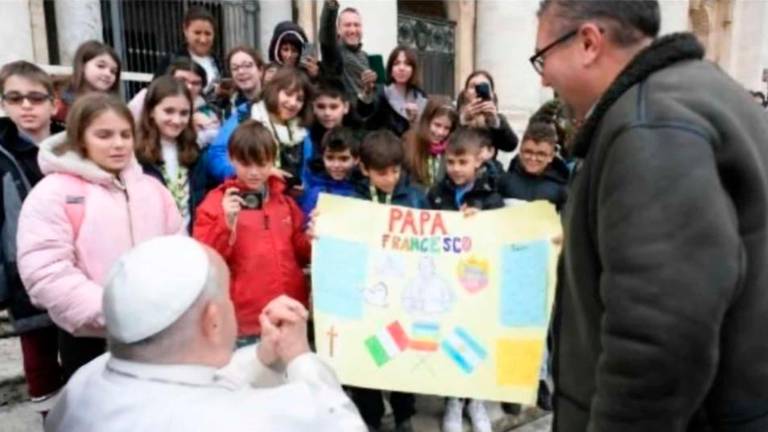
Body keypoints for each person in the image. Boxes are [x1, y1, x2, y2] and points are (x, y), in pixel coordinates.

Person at [534, 0, 768, 430]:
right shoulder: (700, 92)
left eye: (543, 57)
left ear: (588, 42)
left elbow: (662, 334)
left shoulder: (651, 122)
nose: (545, 76)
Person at [44, 235, 367, 431]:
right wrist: (300, 357)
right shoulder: (251, 421)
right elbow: (336, 420)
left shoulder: (83, 383)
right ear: (213, 321)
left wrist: (262, 357)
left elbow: (190, 383)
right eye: (226, 296)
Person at [16, 93, 183, 382]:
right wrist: (114, 312)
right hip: (90, 339)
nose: (118, 144)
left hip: (156, 331)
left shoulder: (153, 190)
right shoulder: (53, 193)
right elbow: (46, 272)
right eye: (104, 135)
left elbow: (179, 249)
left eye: (125, 134)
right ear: (81, 138)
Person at [193, 120, 310, 346]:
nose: (255, 172)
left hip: (289, 314)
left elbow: (301, 252)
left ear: (272, 160)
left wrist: (313, 238)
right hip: (245, 321)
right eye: (246, 164)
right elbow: (206, 262)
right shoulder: (215, 203)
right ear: (232, 159)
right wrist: (225, 224)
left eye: (262, 163)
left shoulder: (284, 202)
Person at [426, 128, 501, 432]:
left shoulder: (491, 197)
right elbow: (423, 232)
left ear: (477, 162)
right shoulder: (435, 194)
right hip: (445, 280)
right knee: (450, 341)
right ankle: (453, 402)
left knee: (476, 340)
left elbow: (500, 236)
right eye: (451, 162)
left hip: (478, 283)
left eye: (463, 162)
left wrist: (481, 222)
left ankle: (476, 400)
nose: (456, 169)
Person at [0, 61, 65, 411]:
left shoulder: (73, 144)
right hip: (24, 278)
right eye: (15, 98)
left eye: (35, 98)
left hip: (75, 271)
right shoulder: (2, 155)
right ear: (4, 104)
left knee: (80, 360)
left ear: (53, 103)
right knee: (40, 365)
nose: (26, 106)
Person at [349, 130, 423, 432]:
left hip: (403, 296)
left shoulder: (415, 198)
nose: (390, 178)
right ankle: (371, 415)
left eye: (396, 171)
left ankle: (404, 413)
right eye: (382, 172)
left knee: (401, 353)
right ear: (364, 168)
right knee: (368, 353)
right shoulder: (351, 201)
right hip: (366, 297)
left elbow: (437, 235)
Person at [206, 67, 313, 185]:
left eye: (299, 99)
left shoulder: (302, 129)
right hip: (248, 196)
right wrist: (261, 172)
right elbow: (216, 156)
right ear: (274, 90)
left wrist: (302, 189)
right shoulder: (246, 115)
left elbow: (307, 173)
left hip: (288, 200)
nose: (293, 103)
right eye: (288, 94)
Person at [135, 76, 212, 230]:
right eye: (169, 111)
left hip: (189, 242)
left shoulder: (194, 153)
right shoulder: (136, 155)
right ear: (151, 111)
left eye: (184, 113)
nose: (177, 120)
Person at [129, 58, 219, 147]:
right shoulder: (145, 97)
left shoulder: (207, 111)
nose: (189, 87)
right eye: (182, 80)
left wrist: (206, 127)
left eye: (195, 83)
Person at [357, 46, 427, 137]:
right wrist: (367, 90)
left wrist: (415, 120)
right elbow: (363, 113)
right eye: (396, 63)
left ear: (413, 69)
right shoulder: (380, 92)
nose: (401, 68)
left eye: (407, 64)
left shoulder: (421, 96)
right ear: (390, 69)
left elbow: (424, 131)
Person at [156, 6, 222, 96]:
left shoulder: (218, 62)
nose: (203, 39)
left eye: (208, 34)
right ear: (185, 31)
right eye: (197, 33)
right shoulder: (171, 61)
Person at [319, 0, 376, 101]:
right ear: (338, 30)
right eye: (347, 25)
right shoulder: (334, 52)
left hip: (365, 112)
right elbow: (327, 32)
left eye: (356, 25)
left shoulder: (366, 56)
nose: (353, 30)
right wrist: (331, 6)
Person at [502, 122, 567, 210]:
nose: (533, 158)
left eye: (541, 154)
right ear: (520, 151)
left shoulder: (562, 191)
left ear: (551, 157)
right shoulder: (504, 182)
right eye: (528, 152)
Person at [53, 40, 121, 123]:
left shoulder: (112, 107)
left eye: (113, 71)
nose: (108, 74)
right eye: (101, 66)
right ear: (82, 65)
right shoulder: (56, 97)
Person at [300, 127, 361, 216]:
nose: (336, 165)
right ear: (323, 157)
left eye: (344, 159)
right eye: (330, 158)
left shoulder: (364, 189)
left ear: (356, 159)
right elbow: (303, 224)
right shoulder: (314, 191)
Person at [403, 96, 459, 188]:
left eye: (446, 128)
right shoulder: (409, 142)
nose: (440, 132)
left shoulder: (452, 148)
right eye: (437, 125)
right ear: (427, 121)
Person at [457, 71, 518, 153]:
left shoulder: (498, 119)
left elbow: (510, 146)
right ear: (465, 93)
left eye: (483, 86)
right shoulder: (456, 117)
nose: (477, 90)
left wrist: (494, 122)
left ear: (492, 94)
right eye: (473, 86)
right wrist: (464, 120)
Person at [214, 46, 264, 121]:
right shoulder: (228, 111)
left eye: (247, 66)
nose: (241, 72)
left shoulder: (275, 102)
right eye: (235, 68)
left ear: (260, 70)